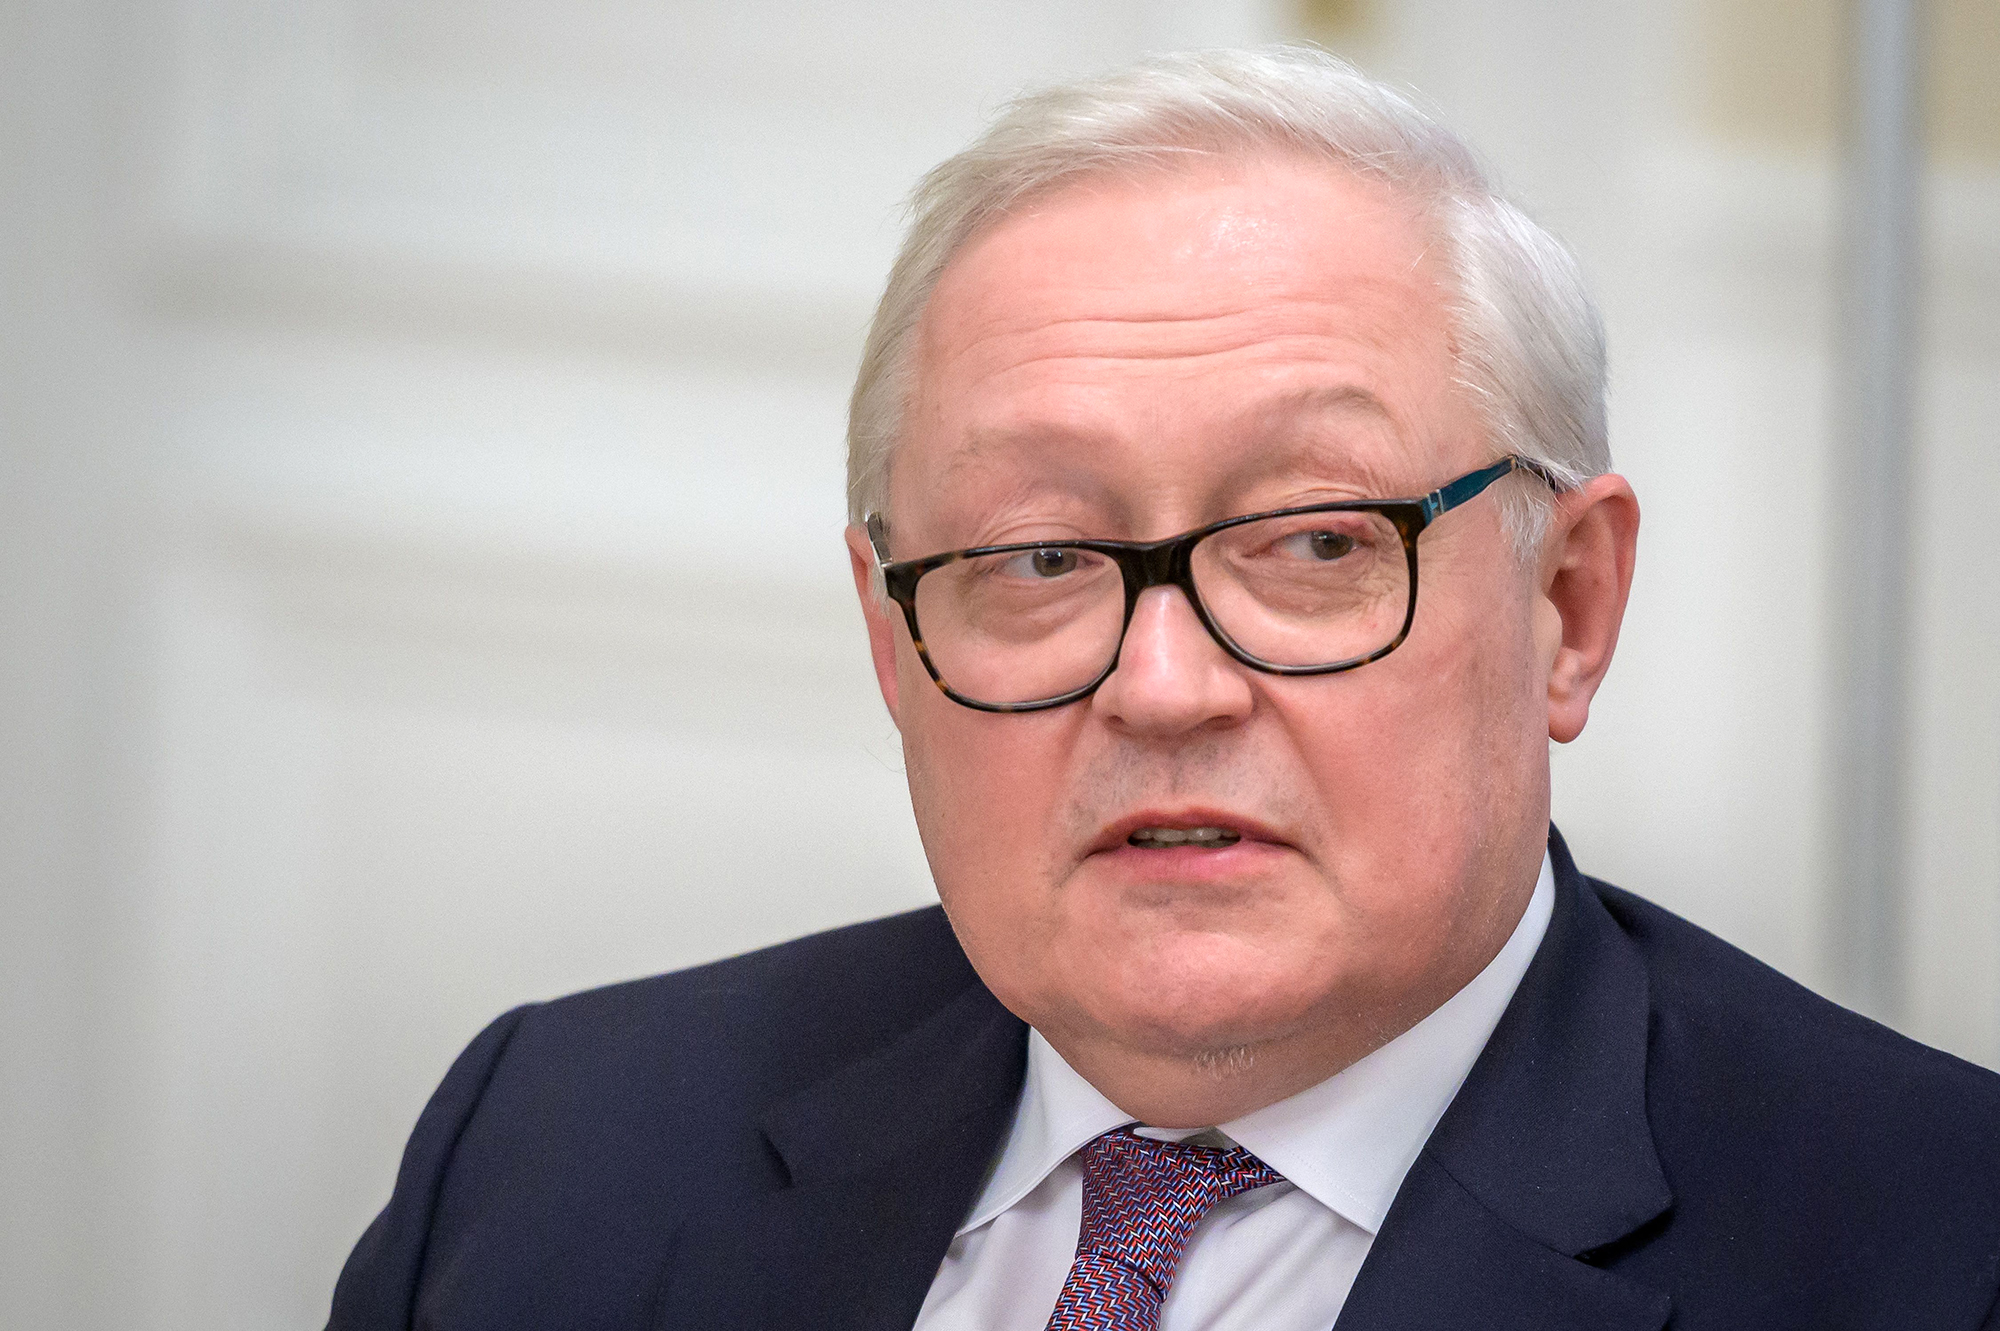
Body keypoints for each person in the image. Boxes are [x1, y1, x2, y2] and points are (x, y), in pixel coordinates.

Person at [328, 46, 2000, 1331]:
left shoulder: (1938, 1255)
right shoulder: (549, 1149)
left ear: (1568, 605)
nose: (1166, 683)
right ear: (889, 635)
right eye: (1041, 560)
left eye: (1315, 542)